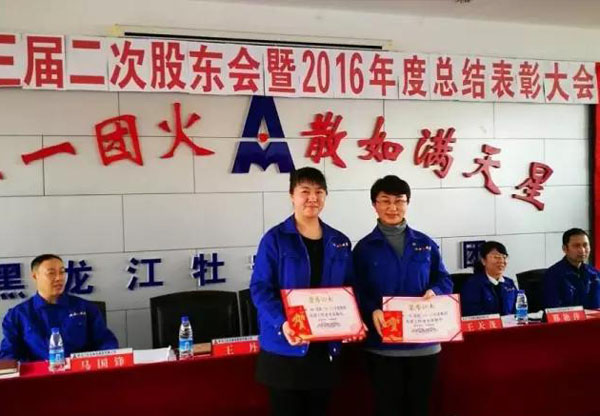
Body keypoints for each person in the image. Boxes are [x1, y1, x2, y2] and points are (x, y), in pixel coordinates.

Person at [250, 167, 354, 416]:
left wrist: (351, 321)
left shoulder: (338, 241)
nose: (312, 198)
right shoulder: (275, 239)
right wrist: (283, 322)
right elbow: (260, 289)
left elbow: (350, 288)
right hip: (285, 347)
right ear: (292, 195)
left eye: (319, 192)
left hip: (324, 349)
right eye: (305, 191)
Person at [353, 175, 452, 416]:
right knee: (387, 408)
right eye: (385, 200)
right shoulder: (364, 248)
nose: (392, 207)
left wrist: (435, 291)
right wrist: (372, 309)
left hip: (424, 345)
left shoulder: (425, 244)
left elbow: (444, 280)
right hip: (382, 346)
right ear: (374, 204)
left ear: (407, 203)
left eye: (399, 200)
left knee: (419, 408)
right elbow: (355, 289)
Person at [0, 254, 118, 361]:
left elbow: (106, 342)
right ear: (35, 276)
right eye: (51, 273)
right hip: (38, 375)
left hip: (81, 372)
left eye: (62, 272)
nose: (59, 278)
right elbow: (9, 353)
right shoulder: (17, 315)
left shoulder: (86, 308)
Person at [543, 228, 600, 309]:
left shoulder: (595, 274)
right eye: (576, 246)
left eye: (585, 245)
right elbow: (552, 309)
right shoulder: (553, 275)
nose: (582, 250)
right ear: (565, 249)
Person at [460, 241, 518, 316]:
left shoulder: (509, 283)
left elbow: (518, 308)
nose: (501, 261)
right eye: (496, 257)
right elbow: (473, 313)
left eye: (504, 257)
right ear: (483, 261)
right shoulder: (473, 284)